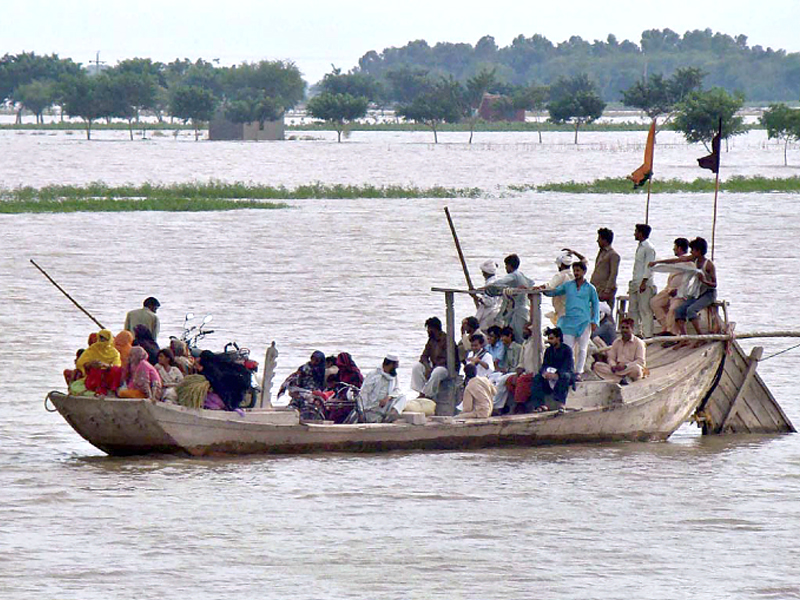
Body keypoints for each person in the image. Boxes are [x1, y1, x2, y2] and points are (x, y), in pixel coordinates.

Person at [537, 261, 599, 379]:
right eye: (574, 270)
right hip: (569, 321)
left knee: (582, 348)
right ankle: (568, 370)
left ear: (584, 272)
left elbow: (595, 304)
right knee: (567, 348)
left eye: (578, 271)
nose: (576, 273)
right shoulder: (568, 285)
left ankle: (579, 372)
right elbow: (555, 292)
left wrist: (594, 321)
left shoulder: (590, 288)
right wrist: (543, 289)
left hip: (584, 321)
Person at [652, 237, 717, 344]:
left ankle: (701, 337)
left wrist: (704, 281)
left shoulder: (708, 265)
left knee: (691, 310)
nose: (690, 252)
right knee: (679, 310)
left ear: (699, 251)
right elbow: (676, 260)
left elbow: (714, 285)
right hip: (697, 293)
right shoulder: (694, 259)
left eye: (693, 250)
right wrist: (657, 262)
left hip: (708, 294)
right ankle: (684, 338)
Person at [484, 254, 533, 343]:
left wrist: (488, 287)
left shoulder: (513, 275)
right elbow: (531, 283)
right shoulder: (520, 275)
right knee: (513, 334)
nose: (505, 268)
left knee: (518, 336)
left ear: (510, 266)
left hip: (518, 311)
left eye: (506, 266)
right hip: (521, 310)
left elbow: (499, 282)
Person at [566, 228, 620, 308]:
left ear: (605, 240)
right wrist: (574, 253)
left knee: (605, 314)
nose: (597, 241)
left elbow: (613, 274)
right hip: (596, 289)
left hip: (604, 290)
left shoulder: (613, 255)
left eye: (599, 239)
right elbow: (585, 261)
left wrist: (607, 291)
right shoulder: (601, 252)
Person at [524, 327, 574, 413]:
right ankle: (539, 405)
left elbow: (568, 367)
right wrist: (544, 373)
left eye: (552, 338)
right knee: (537, 378)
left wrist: (557, 374)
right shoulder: (549, 350)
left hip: (562, 374)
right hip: (550, 375)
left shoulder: (567, 350)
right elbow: (545, 365)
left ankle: (561, 404)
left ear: (558, 338)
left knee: (565, 376)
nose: (549, 341)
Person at [649, 237, 691, 335]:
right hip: (669, 290)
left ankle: (672, 332)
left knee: (673, 309)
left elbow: (691, 281)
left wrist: (679, 291)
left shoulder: (688, 262)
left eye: (675, 247)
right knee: (654, 302)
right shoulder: (677, 261)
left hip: (680, 293)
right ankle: (665, 326)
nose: (673, 249)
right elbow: (671, 263)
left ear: (680, 248)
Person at [593, 318, 646, 384]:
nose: (624, 330)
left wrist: (625, 366)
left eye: (627, 328)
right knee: (597, 366)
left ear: (632, 329)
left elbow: (640, 361)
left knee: (637, 369)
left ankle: (617, 378)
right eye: (622, 328)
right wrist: (613, 365)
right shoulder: (617, 342)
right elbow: (611, 358)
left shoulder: (639, 343)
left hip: (629, 368)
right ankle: (620, 380)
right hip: (617, 369)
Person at [359, 355, 408, 422]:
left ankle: (388, 419)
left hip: (385, 404)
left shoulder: (393, 375)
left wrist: (388, 397)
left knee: (403, 397)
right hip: (372, 408)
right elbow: (364, 393)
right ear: (390, 364)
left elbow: (397, 390)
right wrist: (362, 411)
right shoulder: (373, 375)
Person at [629, 223, 657, 338]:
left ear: (641, 233)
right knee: (633, 309)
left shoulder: (649, 248)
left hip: (644, 282)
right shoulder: (640, 246)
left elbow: (649, 266)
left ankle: (648, 334)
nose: (634, 233)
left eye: (636, 231)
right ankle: (635, 332)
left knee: (645, 309)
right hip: (635, 281)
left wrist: (644, 282)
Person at [411, 316, 449, 400]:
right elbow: (424, 356)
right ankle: (421, 392)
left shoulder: (447, 340)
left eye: (429, 328)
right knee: (417, 367)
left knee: (437, 371)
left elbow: (447, 360)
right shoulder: (431, 340)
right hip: (433, 367)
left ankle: (427, 395)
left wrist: (432, 369)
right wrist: (427, 367)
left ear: (434, 329)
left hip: (445, 369)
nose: (427, 331)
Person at [542, 251, 575, 325]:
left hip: (562, 311)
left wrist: (539, 288)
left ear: (560, 265)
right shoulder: (573, 276)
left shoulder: (560, 275)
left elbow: (549, 287)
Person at [475, 259, 501, 331]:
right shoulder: (495, 281)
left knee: (483, 331)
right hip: (493, 310)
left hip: (489, 312)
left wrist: (478, 299)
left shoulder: (491, 283)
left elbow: (489, 302)